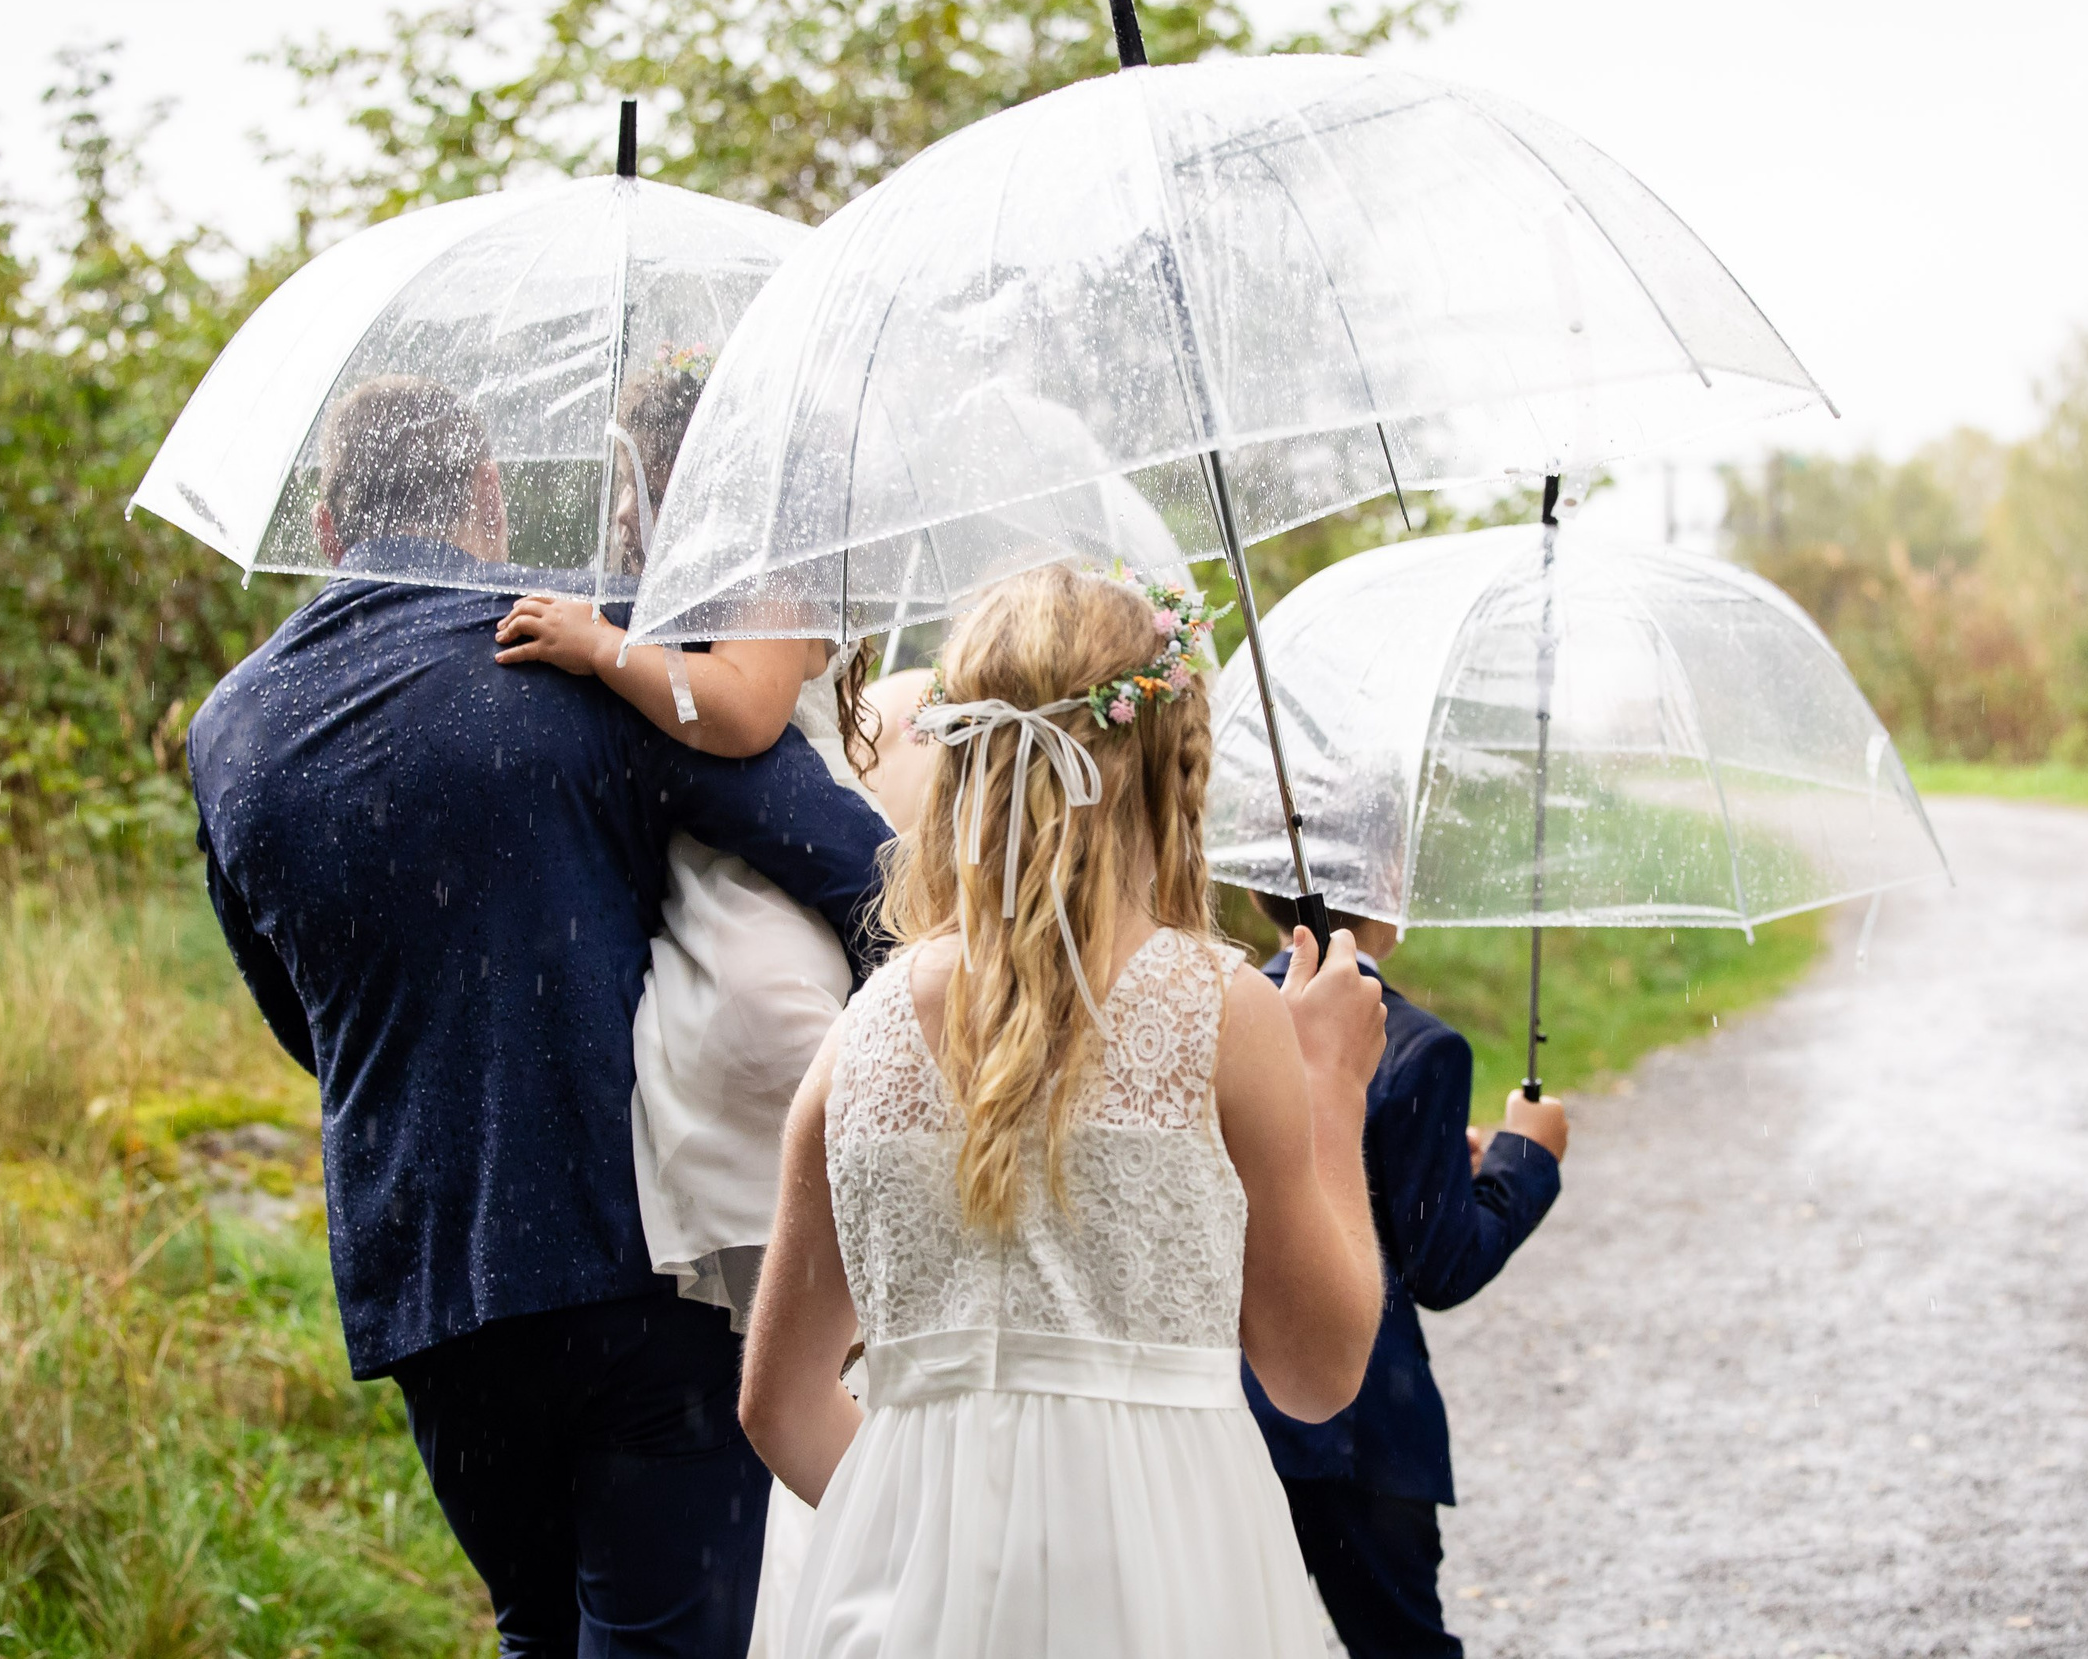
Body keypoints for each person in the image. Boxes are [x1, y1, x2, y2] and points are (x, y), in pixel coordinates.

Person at [188, 372, 893, 1658]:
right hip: (634, 1257)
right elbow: (856, 866)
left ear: (333, 528)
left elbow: (300, 1018)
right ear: (488, 497)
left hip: (426, 1284)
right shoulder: (575, 652)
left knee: (533, 1629)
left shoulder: (231, 730)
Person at [738, 563, 1391, 1659]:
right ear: (1172, 772)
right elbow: (1317, 1372)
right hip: (1168, 1589)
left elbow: (781, 1402)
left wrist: (933, 1541)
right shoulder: (1223, 1018)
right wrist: (1330, 1090)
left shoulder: (860, 1039)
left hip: (906, 1606)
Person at [494, 347, 888, 1330]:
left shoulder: (771, 564)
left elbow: (745, 717)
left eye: (636, 473)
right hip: (708, 888)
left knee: (770, 1033)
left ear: (693, 468)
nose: (622, 507)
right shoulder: (706, 575)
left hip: (774, 885)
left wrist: (603, 646)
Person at [1245, 896, 1568, 1659]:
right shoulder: (1420, 1047)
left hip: (1244, 1411)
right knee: (1402, 1643)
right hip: (1366, 1428)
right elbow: (1442, 1264)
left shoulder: (1233, 1017)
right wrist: (1528, 1157)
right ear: (1390, 885)